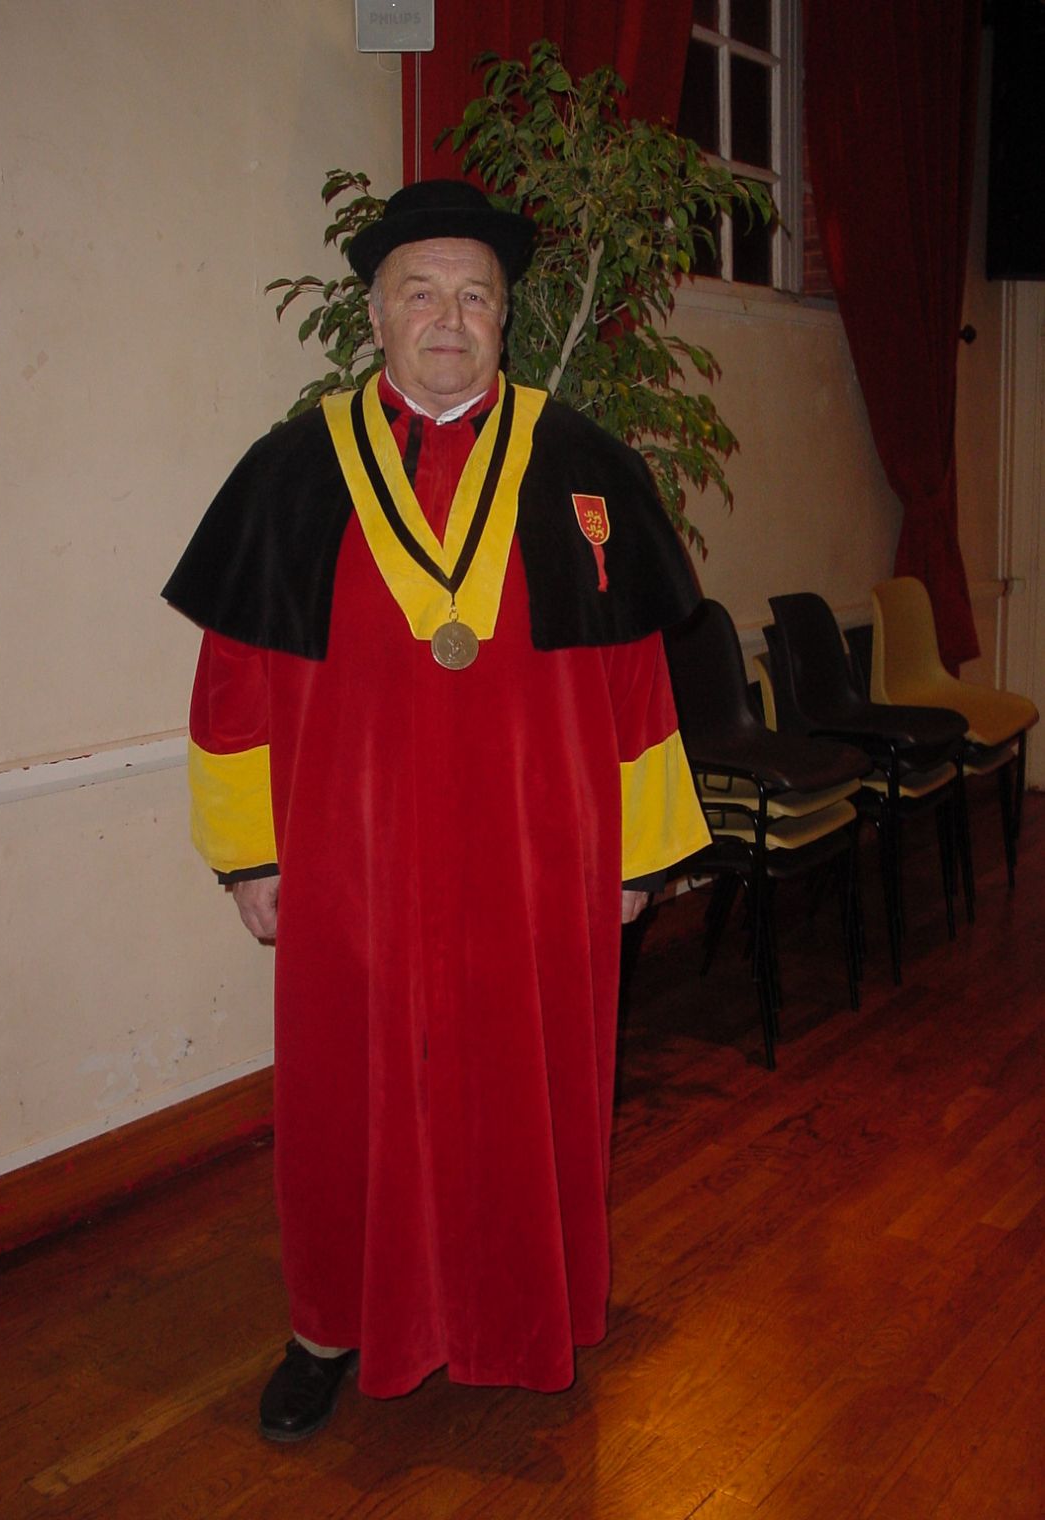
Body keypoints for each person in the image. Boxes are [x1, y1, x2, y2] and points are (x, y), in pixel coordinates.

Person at [163, 179, 709, 1441]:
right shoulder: (294, 472)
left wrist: (639, 857)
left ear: (507, 316)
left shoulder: (585, 465)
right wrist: (247, 854)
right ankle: (328, 1327)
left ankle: (520, 1313)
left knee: (526, 1101)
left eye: (476, 295)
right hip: (348, 869)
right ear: (376, 314)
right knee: (344, 1102)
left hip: (538, 866)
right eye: (422, 293)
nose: (449, 318)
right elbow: (231, 679)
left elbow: (637, 679)